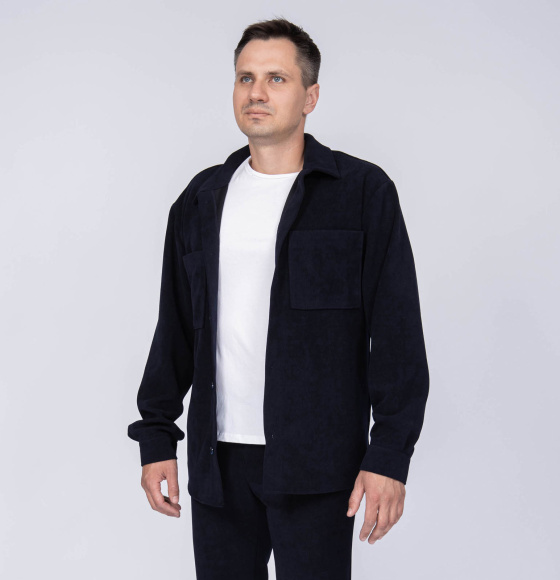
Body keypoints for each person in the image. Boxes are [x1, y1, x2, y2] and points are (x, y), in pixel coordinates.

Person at [127, 16, 429, 580]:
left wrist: (390, 455)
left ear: (310, 96)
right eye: (245, 78)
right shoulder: (199, 201)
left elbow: (397, 335)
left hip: (319, 464)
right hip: (218, 465)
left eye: (276, 79)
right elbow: (175, 330)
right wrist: (156, 436)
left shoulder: (362, 194)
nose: (256, 93)